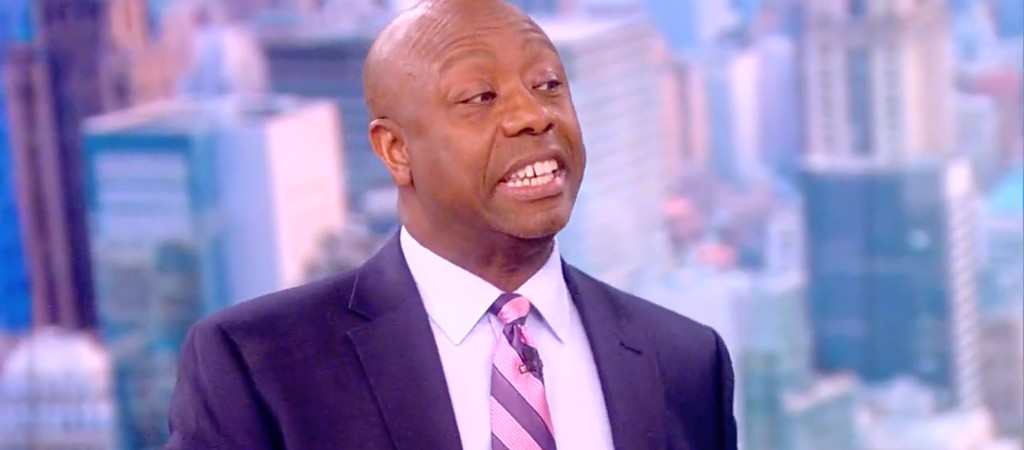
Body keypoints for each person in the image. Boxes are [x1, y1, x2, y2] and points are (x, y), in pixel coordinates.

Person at [165, 0, 738, 448]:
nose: (532, 116)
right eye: (480, 96)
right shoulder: (260, 366)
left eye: (548, 86)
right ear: (396, 151)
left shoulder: (686, 361)